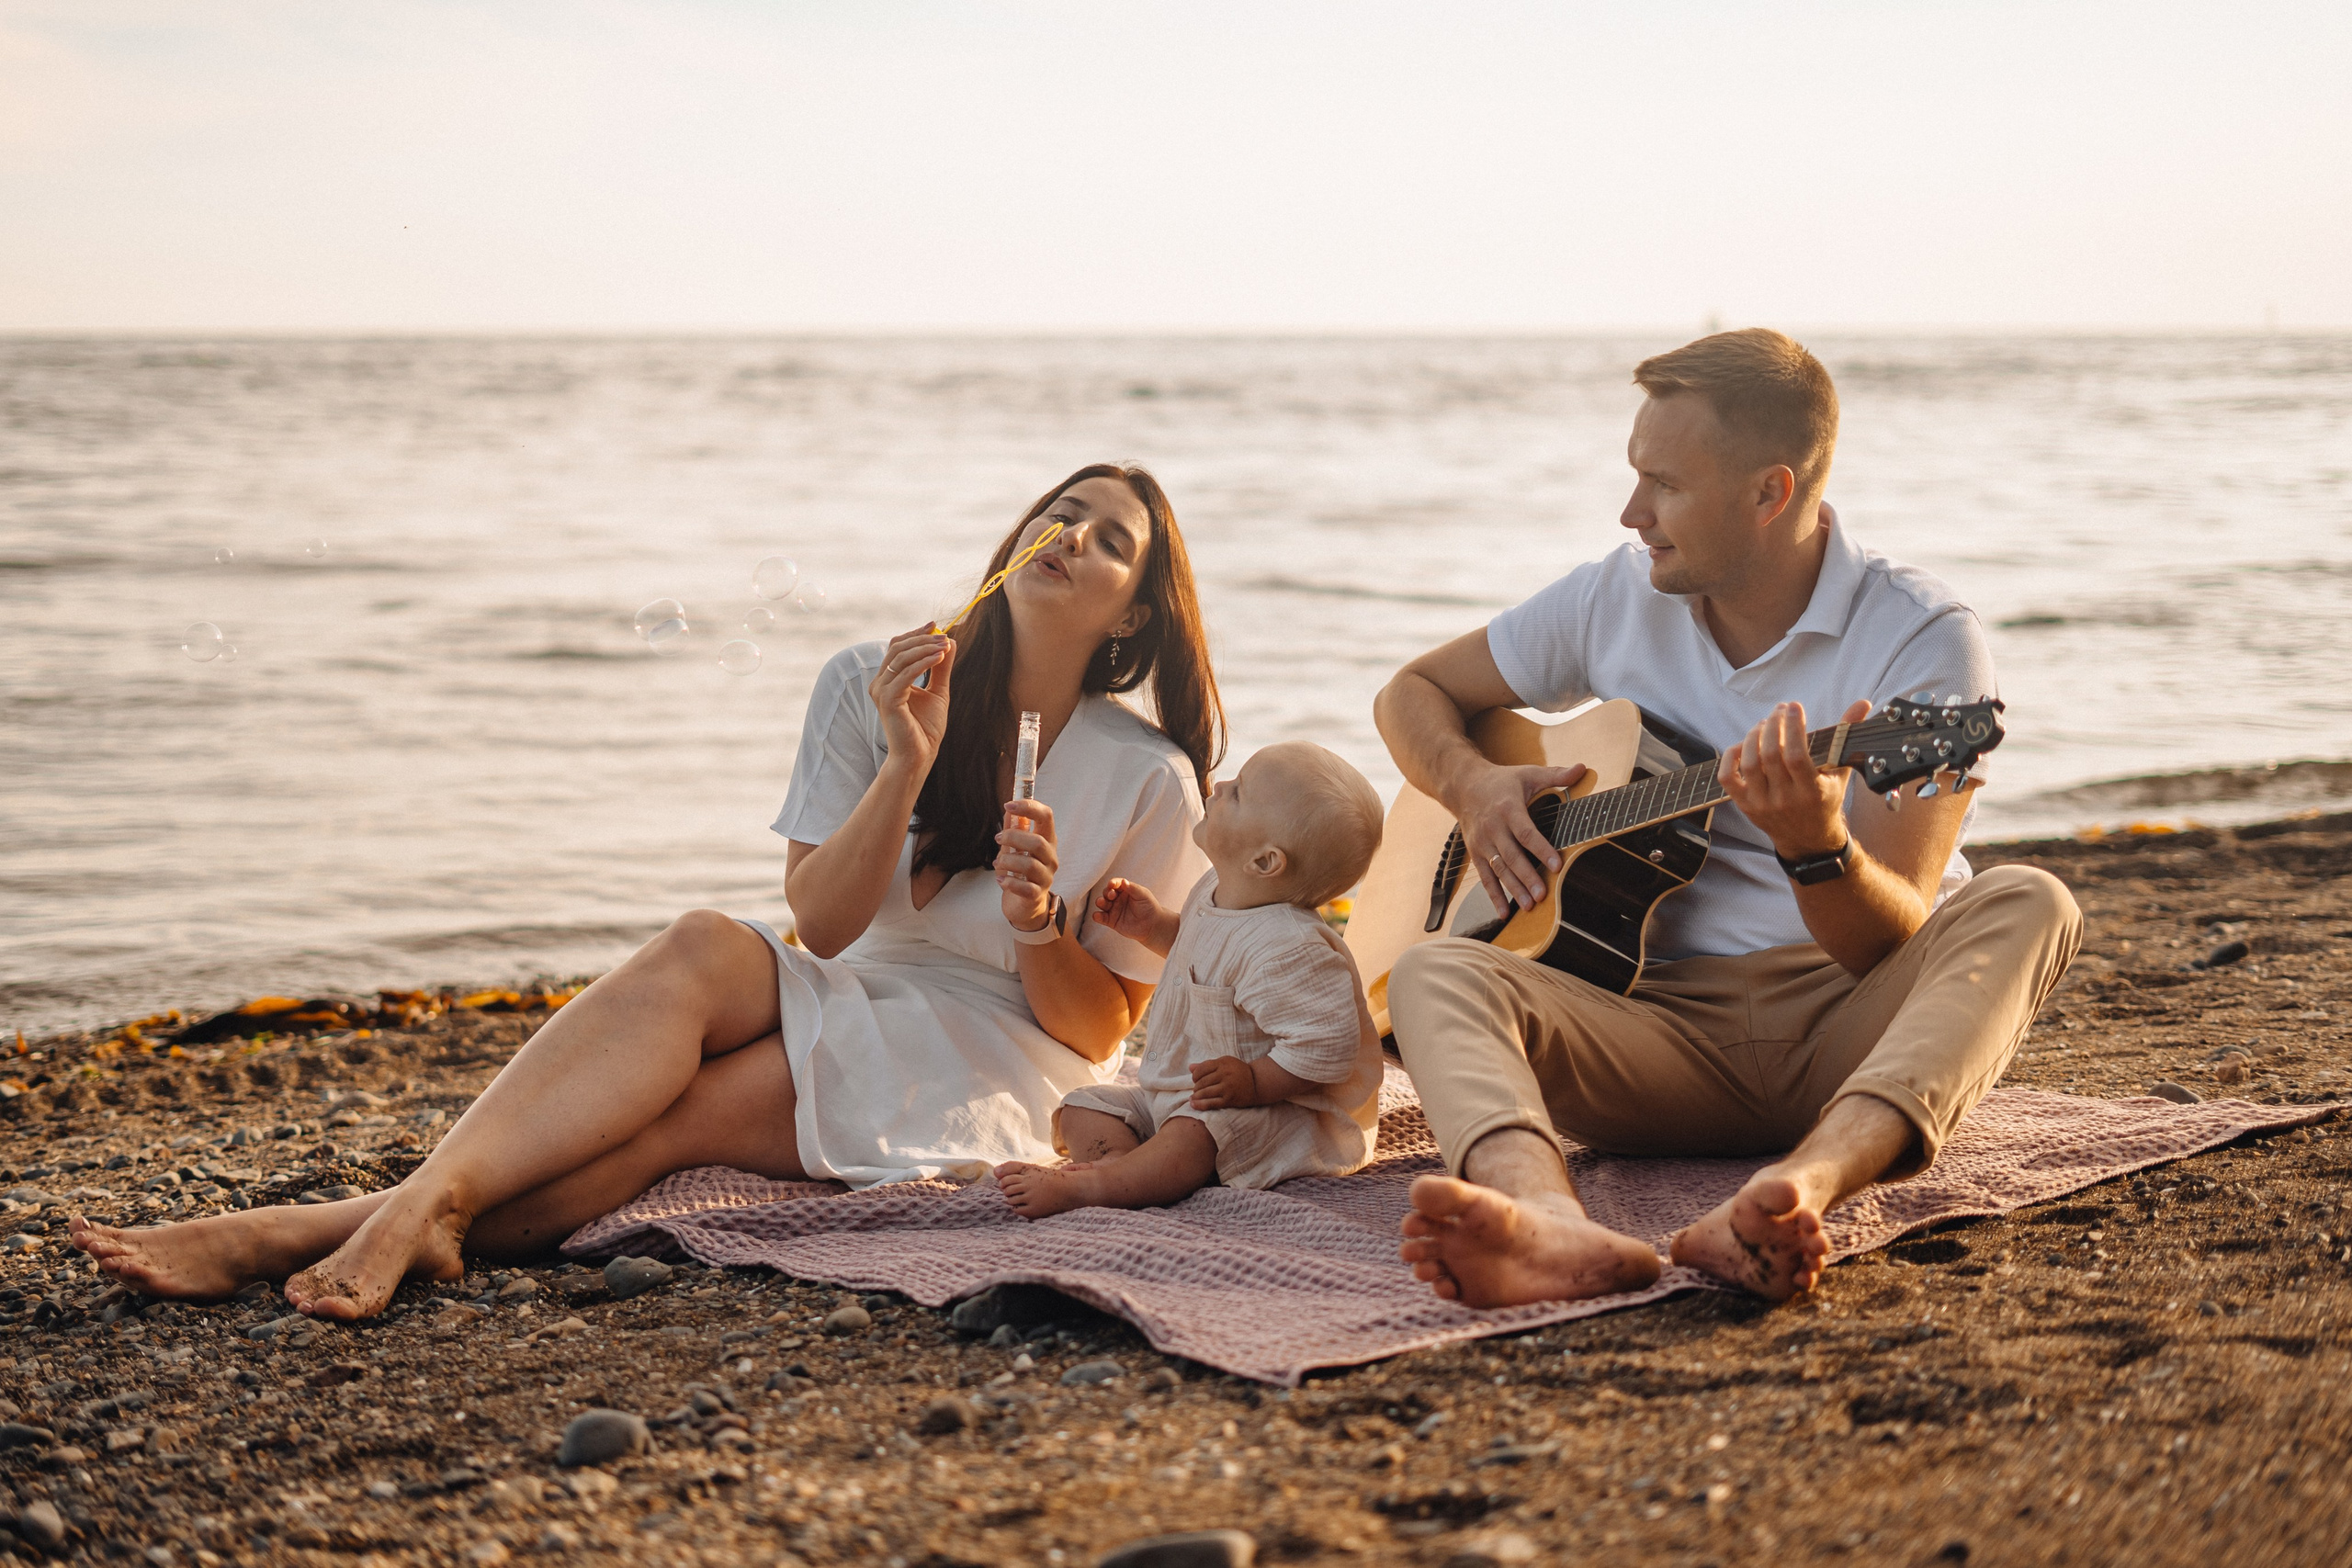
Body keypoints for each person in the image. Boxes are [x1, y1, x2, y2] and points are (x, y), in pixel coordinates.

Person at [70, 463, 1223, 1318]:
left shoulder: (1149, 778)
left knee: (675, 1121)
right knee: (702, 942)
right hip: (852, 983)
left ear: (1131, 614)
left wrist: (1036, 929)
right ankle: (422, 1209)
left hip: (992, 1050)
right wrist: (905, 761)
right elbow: (822, 927)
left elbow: (1097, 1032)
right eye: (1059, 511)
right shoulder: (871, 685)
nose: (1070, 534)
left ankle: (318, 1229)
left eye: (1110, 540)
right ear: (1018, 538)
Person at [1374, 330, 2083, 1307]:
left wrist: (1817, 849)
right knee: (1432, 970)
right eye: (1635, 476)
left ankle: (1795, 1194)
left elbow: (1889, 946)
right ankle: (1544, 1222)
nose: (1631, 513)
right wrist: (1472, 787)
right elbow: (1411, 693)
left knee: (2032, 900)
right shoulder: (1611, 597)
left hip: (1847, 1018)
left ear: (1769, 493)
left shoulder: (1921, 639)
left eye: (1663, 484)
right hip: (1649, 1026)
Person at [996, 742, 1386, 1217]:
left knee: (1194, 1135)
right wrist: (1156, 928)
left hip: (1278, 1113)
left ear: (1265, 862)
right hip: (1186, 1092)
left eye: (1238, 793)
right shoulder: (1218, 891)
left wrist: (1254, 1081)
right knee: (1084, 1104)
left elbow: (1326, 1047)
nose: (1220, 785)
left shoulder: (1292, 948)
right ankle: (1120, 1163)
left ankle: (1096, 1187)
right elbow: (1211, 959)